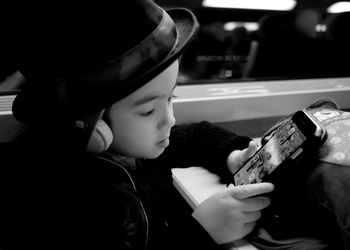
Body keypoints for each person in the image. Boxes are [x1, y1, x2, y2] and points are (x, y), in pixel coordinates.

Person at [0, 0, 274, 249]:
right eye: (148, 110)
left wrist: (234, 155)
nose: (170, 118)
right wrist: (201, 232)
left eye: (171, 97)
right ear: (90, 125)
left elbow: (191, 136)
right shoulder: (66, 206)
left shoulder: (131, 149)